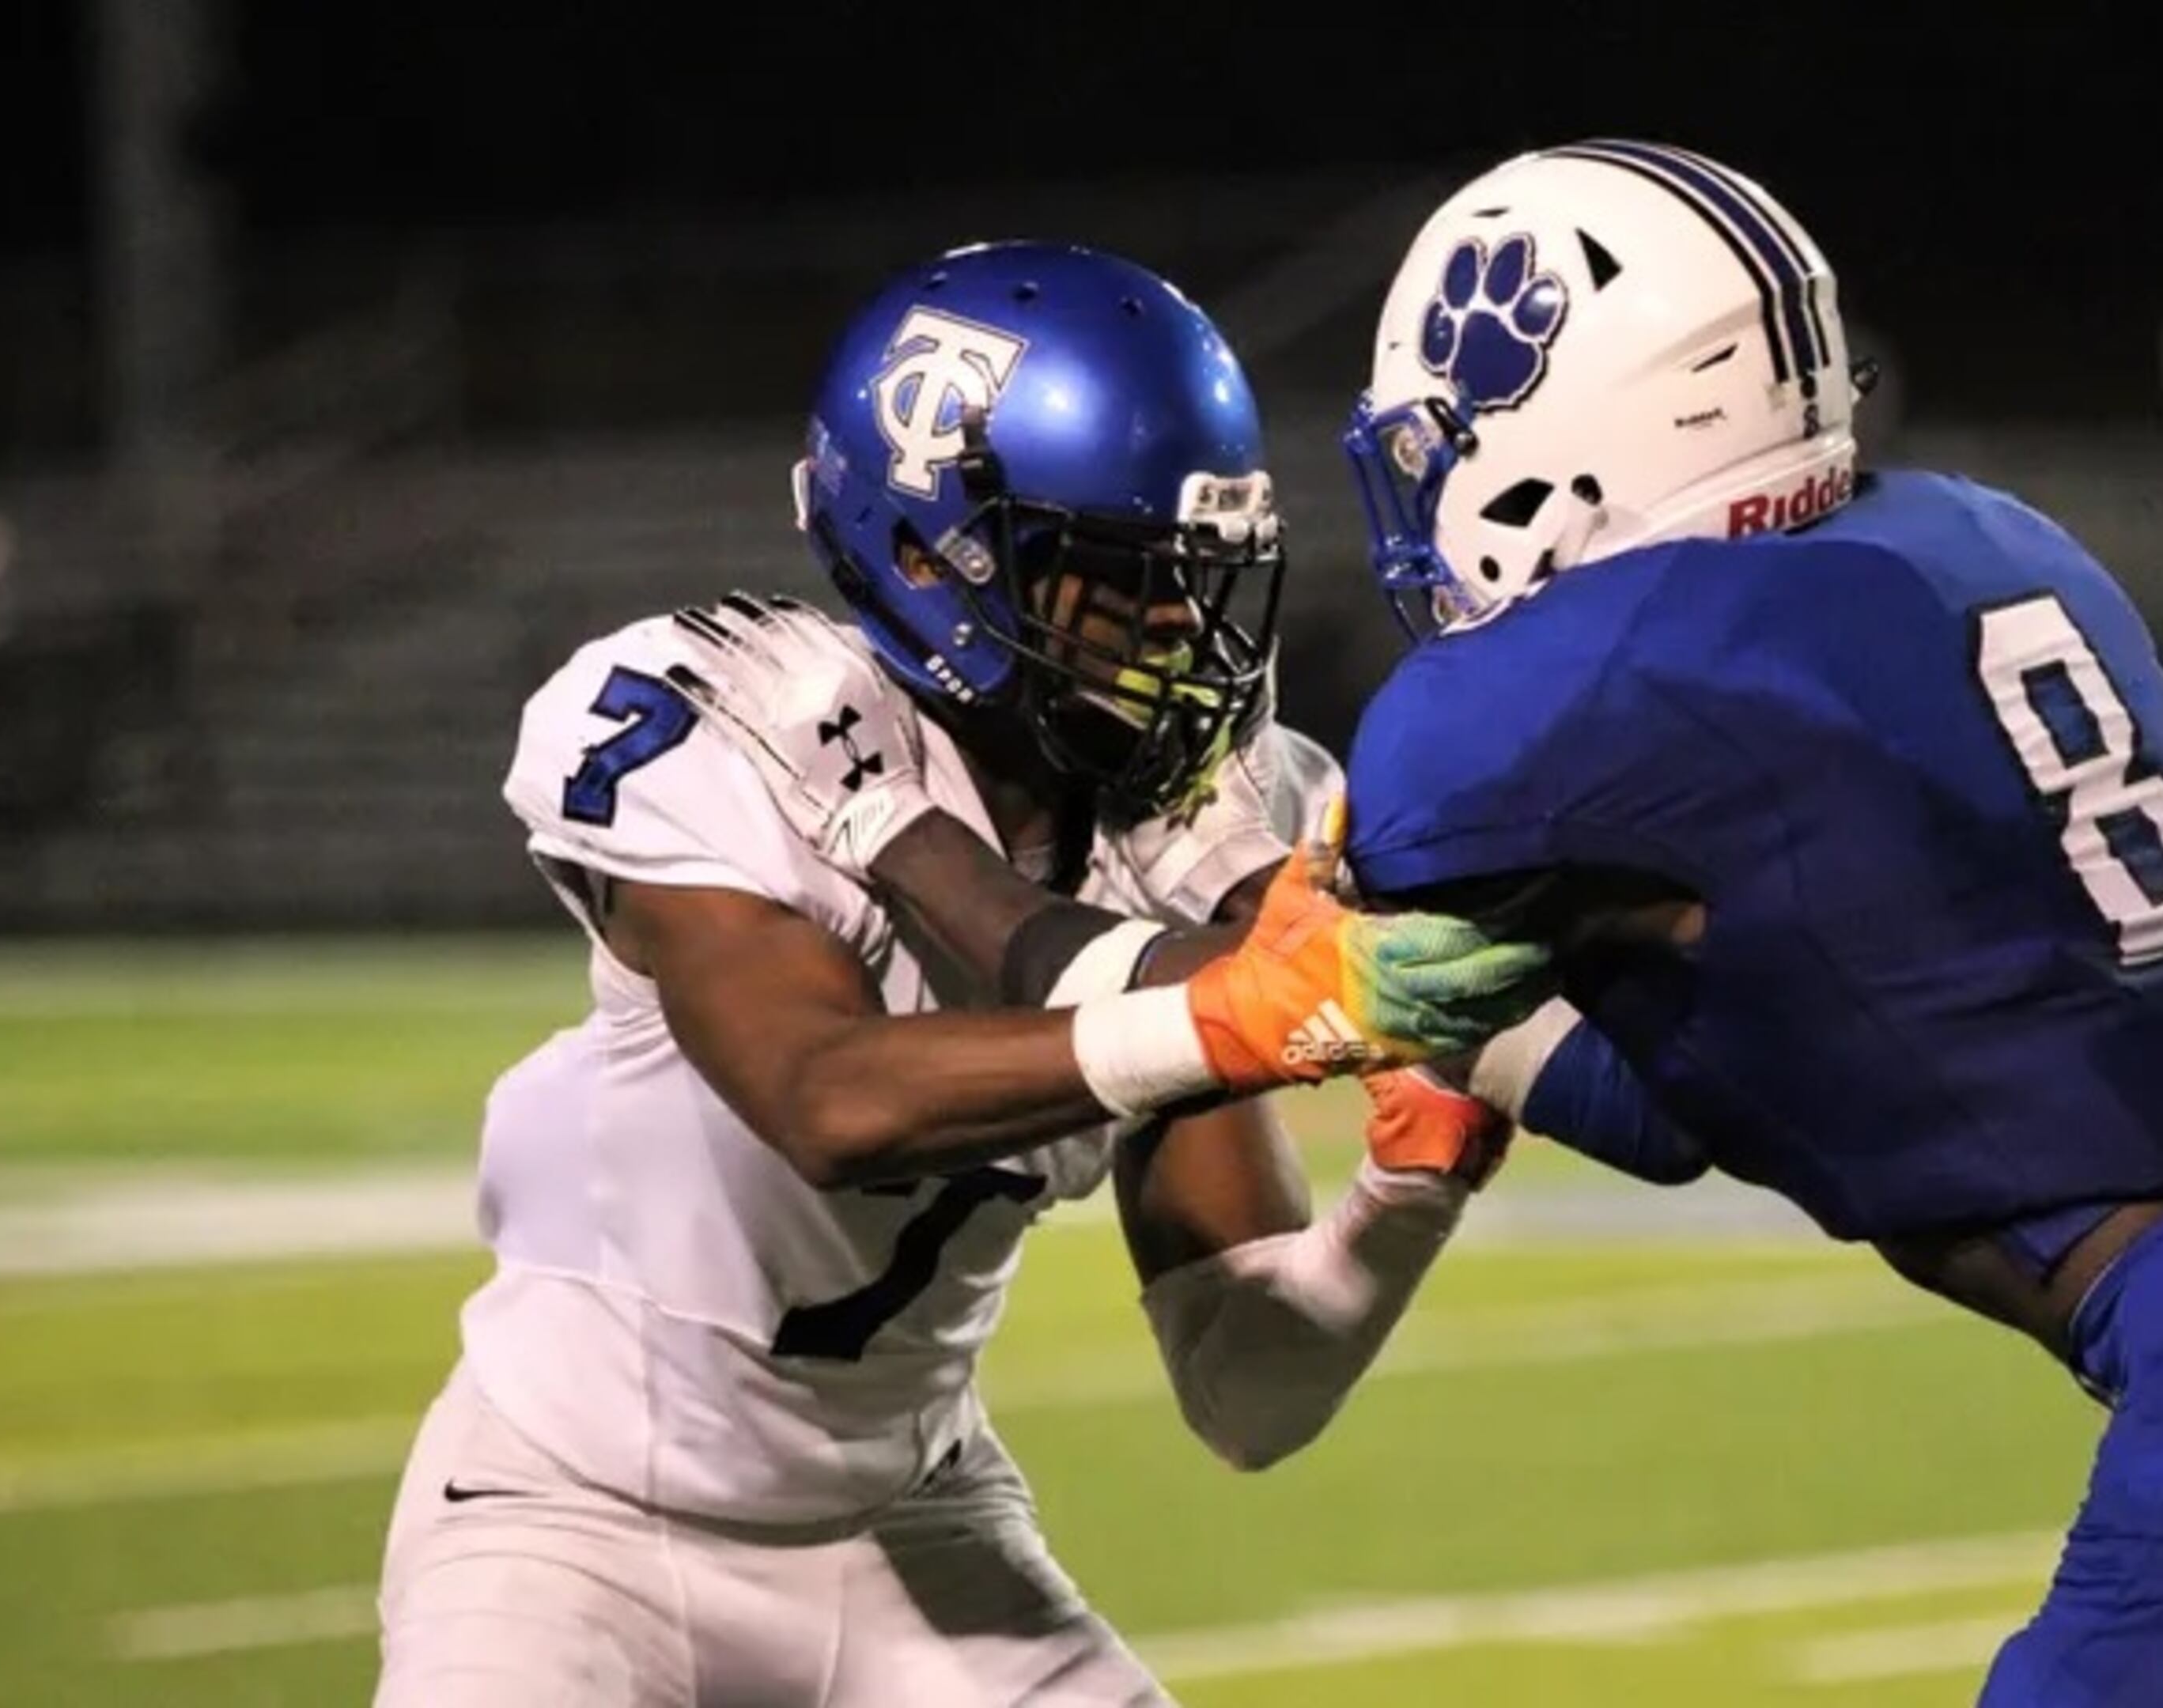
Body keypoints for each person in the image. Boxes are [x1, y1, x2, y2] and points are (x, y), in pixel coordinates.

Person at [1320, 139, 2163, 1706]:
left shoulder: (1602, 676)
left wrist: (1269, 907)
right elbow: (1703, 1097)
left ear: (1571, 431)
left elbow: (1376, 847)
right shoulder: (1979, 541)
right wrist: (1485, 1042)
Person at [371, 240, 1545, 1707]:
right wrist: (1221, 1014)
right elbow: (824, 1098)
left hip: (911, 1522)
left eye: (1203, 581)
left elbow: (1248, 1396)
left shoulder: (1181, 833)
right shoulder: (758, 728)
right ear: (937, 558)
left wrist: (1411, 1195)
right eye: (1121, 587)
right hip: (566, 1523)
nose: (1183, 633)